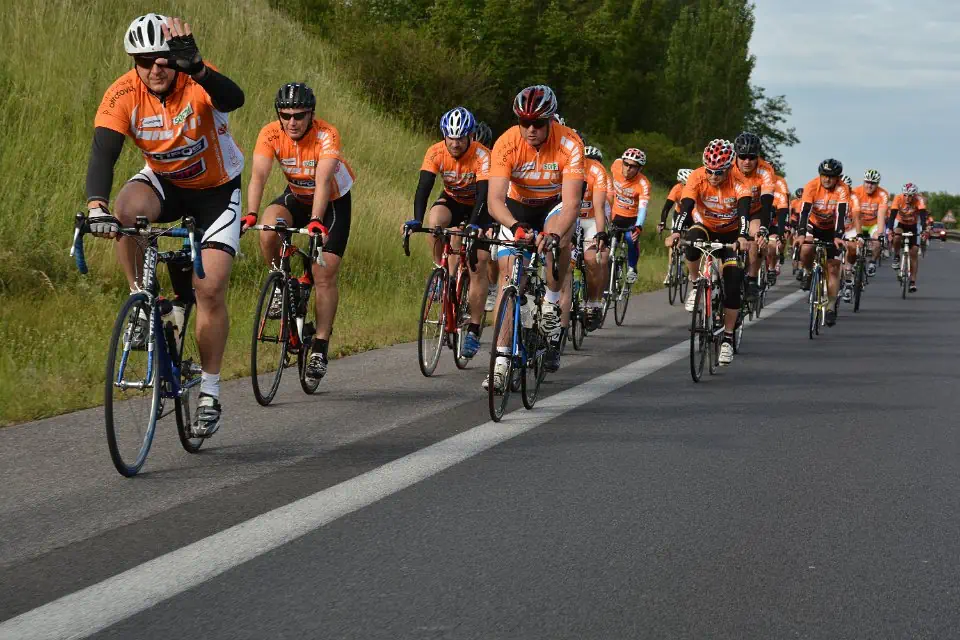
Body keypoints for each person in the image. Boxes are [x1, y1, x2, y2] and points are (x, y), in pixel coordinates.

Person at [86, 14, 245, 437]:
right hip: (166, 182)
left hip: (216, 190)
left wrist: (198, 68)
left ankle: (210, 391)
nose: (155, 68)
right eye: (144, 61)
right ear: (133, 62)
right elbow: (104, 152)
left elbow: (234, 99)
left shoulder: (195, 80)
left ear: (175, 58)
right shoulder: (123, 93)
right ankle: (141, 299)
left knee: (209, 288)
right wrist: (96, 206)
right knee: (125, 211)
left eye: (163, 59)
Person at [244, 82, 357, 384]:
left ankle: (320, 345)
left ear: (311, 115)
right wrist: (251, 213)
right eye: (285, 115)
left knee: (324, 272)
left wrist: (317, 220)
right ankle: (281, 285)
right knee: (268, 228)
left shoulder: (327, 134)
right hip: (296, 195)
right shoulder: (270, 133)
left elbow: (323, 182)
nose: (292, 122)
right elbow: (258, 176)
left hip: (331, 202)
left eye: (299, 115)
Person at [486, 85, 584, 389]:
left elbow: (572, 204)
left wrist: (551, 234)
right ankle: (501, 361)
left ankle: (552, 302)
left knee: (560, 240)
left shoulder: (570, 142)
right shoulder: (506, 142)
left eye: (538, 123)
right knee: (509, 279)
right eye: (524, 122)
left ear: (550, 120)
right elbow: (494, 201)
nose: (531, 129)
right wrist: (515, 226)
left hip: (553, 204)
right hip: (517, 207)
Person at [403, 107, 491, 359]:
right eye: (450, 138)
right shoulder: (435, 151)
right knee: (435, 222)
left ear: (470, 136)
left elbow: (484, 195)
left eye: (460, 138)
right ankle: (441, 272)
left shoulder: (482, 155)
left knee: (478, 263)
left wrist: (474, 225)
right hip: (453, 200)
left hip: (479, 206)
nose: (455, 143)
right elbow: (424, 187)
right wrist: (417, 219)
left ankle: (474, 329)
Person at [667, 139, 751, 365]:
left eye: (719, 172)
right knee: (691, 242)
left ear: (729, 168)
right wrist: (676, 232)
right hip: (705, 227)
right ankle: (696, 283)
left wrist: (743, 236)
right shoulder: (697, 177)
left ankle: (728, 338)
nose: (713, 176)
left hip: (732, 234)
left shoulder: (740, 182)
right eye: (710, 171)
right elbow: (686, 207)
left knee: (732, 283)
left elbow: (744, 213)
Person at [797, 158, 849, 326]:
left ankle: (831, 307)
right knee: (806, 248)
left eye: (831, 176)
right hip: (813, 224)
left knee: (833, 268)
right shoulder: (811, 186)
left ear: (837, 177)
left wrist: (838, 235)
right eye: (824, 175)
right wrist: (801, 233)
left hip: (832, 228)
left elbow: (841, 213)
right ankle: (807, 271)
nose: (827, 179)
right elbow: (805, 212)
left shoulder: (842, 189)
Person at [730, 132, 776, 302]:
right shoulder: (728, 168)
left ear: (758, 157)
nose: (747, 161)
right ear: (736, 155)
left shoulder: (766, 170)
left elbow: (767, 203)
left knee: (755, 237)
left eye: (752, 157)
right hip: (732, 210)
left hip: (755, 210)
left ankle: (751, 280)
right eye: (742, 157)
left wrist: (763, 230)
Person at [577, 146, 610, 330]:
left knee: (593, 259)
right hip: (571, 218)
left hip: (590, 219)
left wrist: (600, 233)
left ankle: (594, 302)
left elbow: (599, 207)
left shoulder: (596, 170)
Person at [608, 148, 652, 285]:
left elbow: (643, 208)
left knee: (630, 239)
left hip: (632, 218)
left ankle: (632, 268)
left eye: (633, 166)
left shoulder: (643, 184)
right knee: (607, 243)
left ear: (639, 169)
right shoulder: (616, 165)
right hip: (616, 215)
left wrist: (638, 226)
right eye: (626, 164)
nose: (628, 168)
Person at [850, 169, 888, 277]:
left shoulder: (883, 194)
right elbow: (855, 214)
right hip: (859, 223)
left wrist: (880, 234)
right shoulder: (856, 192)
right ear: (863, 181)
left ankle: (872, 262)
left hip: (873, 224)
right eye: (867, 182)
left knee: (877, 241)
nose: (869, 186)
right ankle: (853, 263)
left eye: (873, 183)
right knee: (852, 245)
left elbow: (881, 214)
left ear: (877, 184)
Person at [658, 168, 693, 286]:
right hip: (678, 215)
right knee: (673, 242)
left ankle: (689, 268)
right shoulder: (677, 188)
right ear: (681, 182)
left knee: (691, 241)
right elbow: (667, 207)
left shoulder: (695, 188)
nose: (687, 186)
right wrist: (662, 222)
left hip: (692, 216)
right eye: (685, 184)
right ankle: (670, 273)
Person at [890, 182, 927, 292]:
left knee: (914, 252)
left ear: (914, 195)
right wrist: (890, 229)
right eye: (905, 195)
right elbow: (892, 215)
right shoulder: (898, 198)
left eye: (910, 196)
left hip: (913, 225)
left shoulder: (919, 200)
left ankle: (912, 282)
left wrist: (924, 229)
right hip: (901, 223)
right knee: (897, 236)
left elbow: (923, 216)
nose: (907, 198)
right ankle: (896, 256)